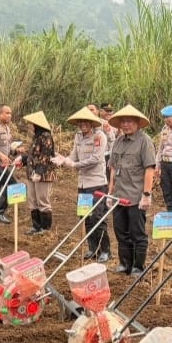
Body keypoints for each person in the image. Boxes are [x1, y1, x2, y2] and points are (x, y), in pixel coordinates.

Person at [52, 106, 111, 262]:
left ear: (91, 122)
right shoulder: (78, 136)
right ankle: (93, 248)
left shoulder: (99, 136)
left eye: (86, 122)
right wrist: (64, 159)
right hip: (83, 184)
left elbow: (96, 159)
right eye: (80, 122)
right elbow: (74, 155)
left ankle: (105, 250)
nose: (83, 124)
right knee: (85, 216)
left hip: (97, 183)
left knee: (97, 217)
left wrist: (74, 165)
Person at [106, 104, 156, 277]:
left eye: (129, 121)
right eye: (123, 122)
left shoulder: (144, 142)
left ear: (137, 123)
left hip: (135, 196)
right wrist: (110, 191)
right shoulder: (118, 141)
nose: (126, 125)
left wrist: (146, 195)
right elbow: (113, 167)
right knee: (120, 231)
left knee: (137, 233)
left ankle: (138, 266)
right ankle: (125, 263)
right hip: (119, 195)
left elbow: (149, 169)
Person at [20, 110, 56, 234]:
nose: (30, 126)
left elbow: (45, 156)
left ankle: (45, 228)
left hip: (43, 175)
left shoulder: (46, 136)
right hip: (32, 173)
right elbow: (33, 155)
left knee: (42, 200)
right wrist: (22, 159)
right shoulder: (36, 137)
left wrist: (39, 172)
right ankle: (36, 226)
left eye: (31, 124)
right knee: (33, 200)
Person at [99, 103, 117, 186]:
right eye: (107, 111)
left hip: (109, 155)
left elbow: (114, 139)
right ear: (100, 111)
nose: (109, 113)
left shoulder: (113, 123)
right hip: (103, 155)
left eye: (110, 111)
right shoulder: (100, 122)